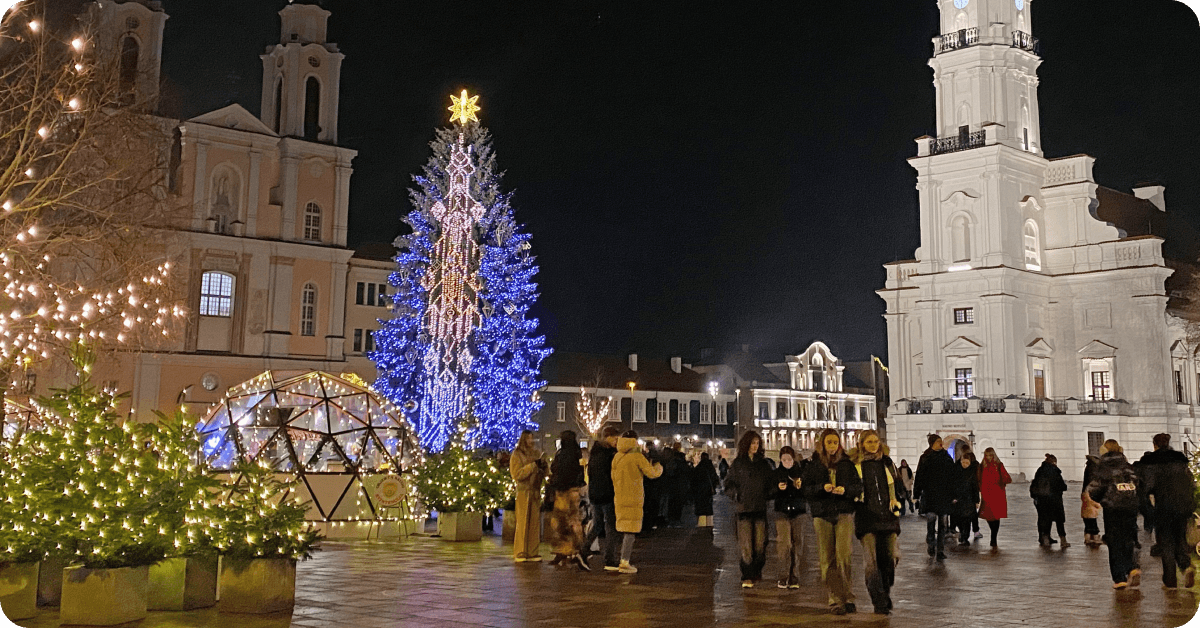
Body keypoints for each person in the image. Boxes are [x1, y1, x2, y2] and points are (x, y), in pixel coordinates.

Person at [803, 429, 863, 615]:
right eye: (829, 442)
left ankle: (848, 596)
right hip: (822, 514)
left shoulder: (846, 464)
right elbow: (806, 489)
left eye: (835, 442)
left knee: (844, 555)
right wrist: (822, 488)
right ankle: (835, 599)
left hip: (843, 512)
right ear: (822, 444)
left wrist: (845, 490)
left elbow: (857, 487)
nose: (832, 446)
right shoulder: (813, 465)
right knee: (827, 558)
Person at [1138, 433, 1197, 588]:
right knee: (1180, 538)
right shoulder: (1179, 460)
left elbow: (1146, 487)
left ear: (1155, 445)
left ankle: (1170, 579)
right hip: (1182, 506)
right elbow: (1191, 483)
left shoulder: (1151, 462)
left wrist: (1147, 510)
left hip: (1164, 507)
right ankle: (1185, 565)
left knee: (1166, 543)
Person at [853, 430, 901, 615]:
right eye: (869, 442)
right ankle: (879, 601)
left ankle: (885, 591)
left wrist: (898, 501)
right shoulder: (856, 465)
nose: (873, 445)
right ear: (862, 444)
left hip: (888, 517)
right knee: (871, 563)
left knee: (889, 560)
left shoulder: (887, 463)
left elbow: (897, 486)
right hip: (867, 518)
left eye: (876, 441)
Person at [1086, 439, 1142, 589]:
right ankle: (1132, 567)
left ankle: (1119, 578)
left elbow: (1095, 489)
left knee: (1115, 541)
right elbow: (1138, 484)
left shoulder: (1104, 467)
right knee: (1129, 538)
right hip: (1130, 507)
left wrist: (1101, 499)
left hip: (1113, 508)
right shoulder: (1127, 466)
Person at [724, 430, 773, 588]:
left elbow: (770, 484)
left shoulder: (764, 464)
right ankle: (747, 574)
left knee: (760, 545)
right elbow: (728, 484)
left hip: (759, 508)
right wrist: (736, 495)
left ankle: (757, 570)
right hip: (744, 509)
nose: (755, 446)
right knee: (746, 545)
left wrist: (770, 493)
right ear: (746, 444)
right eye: (752, 443)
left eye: (757, 443)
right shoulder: (738, 464)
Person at [612, 430, 663, 574]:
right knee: (630, 532)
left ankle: (621, 557)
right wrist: (659, 466)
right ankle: (624, 561)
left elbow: (613, 477)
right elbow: (652, 473)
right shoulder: (636, 456)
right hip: (634, 497)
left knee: (624, 529)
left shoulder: (617, 457)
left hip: (620, 496)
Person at [546, 430, 589, 571]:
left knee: (560, 522)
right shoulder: (577, 453)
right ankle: (575, 550)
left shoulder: (563, 454)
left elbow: (556, 469)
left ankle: (566, 551)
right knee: (573, 521)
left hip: (564, 492)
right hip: (574, 491)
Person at [912, 434, 956, 560]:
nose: (940, 443)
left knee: (942, 525)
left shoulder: (946, 457)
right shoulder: (925, 457)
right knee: (931, 521)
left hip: (943, 496)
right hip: (930, 495)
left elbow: (952, 477)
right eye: (938, 441)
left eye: (941, 441)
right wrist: (916, 494)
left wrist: (954, 494)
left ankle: (940, 550)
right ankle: (931, 543)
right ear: (932, 443)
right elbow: (919, 476)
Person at [583, 426, 621, 570]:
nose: (616, 441)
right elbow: (608, 476)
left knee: (598, 524)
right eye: (615, 438)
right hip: (606, 494)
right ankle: (610, 558)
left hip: (594, 494)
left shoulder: (595, 452)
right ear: (608, 437)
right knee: (611, 526)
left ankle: (584, 550)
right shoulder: (608, 455)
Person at [770, 446, 807, 589]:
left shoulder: (800, 473)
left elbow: (807, 491)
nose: (786, 462)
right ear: (780, 459)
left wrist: (800, 487)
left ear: (793, 459)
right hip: (782, 511)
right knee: (784, 544)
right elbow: (770, 492)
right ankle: (783, 575)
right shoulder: (776, 473)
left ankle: (794, 576)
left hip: (799, 511)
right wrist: (777, 489)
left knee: (798, 543)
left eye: (789, 459)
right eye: (784, 459)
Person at [510, 430, 547, 562]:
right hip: (524, 491)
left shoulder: (535, 453)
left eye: (532, 438)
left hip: (535, 491)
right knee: (523, 521)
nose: (531, 441)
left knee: (534, 523)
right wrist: (532, 466)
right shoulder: (517, 455)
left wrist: (543, 467)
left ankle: (532, 551)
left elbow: (544, 472)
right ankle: (520, 551)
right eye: (528, 438)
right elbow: (517, 474)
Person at [1030, 453, 1069, 548]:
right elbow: (1062, 486)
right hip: (1055, 500)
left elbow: (1035, 484)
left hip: (1042, 499)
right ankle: (1063, 540)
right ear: (1054, 462)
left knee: (1044, 519)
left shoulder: (1040, 470)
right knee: (1059, 521)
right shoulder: (1055, 471)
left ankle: (1045, 538)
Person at [978, 448, 1012, 549]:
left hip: (997, 494)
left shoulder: (998, 465)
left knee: (996, 516)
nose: (988, 457)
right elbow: (978, 478)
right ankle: (993, 535)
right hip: (986, 494)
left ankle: (993, 538)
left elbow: (1006, 478)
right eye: (986, 455)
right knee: (989, 515)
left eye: (990, 455)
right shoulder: (981, 466)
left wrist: (1003, 481)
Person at [951, 453, 978, 547]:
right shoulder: (956, 472)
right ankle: (962, 533)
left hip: (969, 500)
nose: (965, 464)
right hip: (958, 500)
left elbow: (975, 488)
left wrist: (976, 501)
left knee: (967, 520)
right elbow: (952, 486)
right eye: (963, 462)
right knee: (959, 519)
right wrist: (953, 497)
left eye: (967, 462)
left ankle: (965, 536)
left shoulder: (972, 474)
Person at [692, 452, 720, 527]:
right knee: (708, 508)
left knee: (701, 509)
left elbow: (693, 480)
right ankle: (709, 525)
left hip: (699, 492)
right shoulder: (710, 467)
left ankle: (701, 525)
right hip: (708, 491)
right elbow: (715, 478)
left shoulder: (698, 467)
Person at [1081, 453, 1103, 547]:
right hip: (1092, 493)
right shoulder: (1095, 468)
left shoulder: (1089, 467)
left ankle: (1088, 535)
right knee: (1092, 515)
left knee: (1088, 515)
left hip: (1086, 492)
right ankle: (1094, 535)